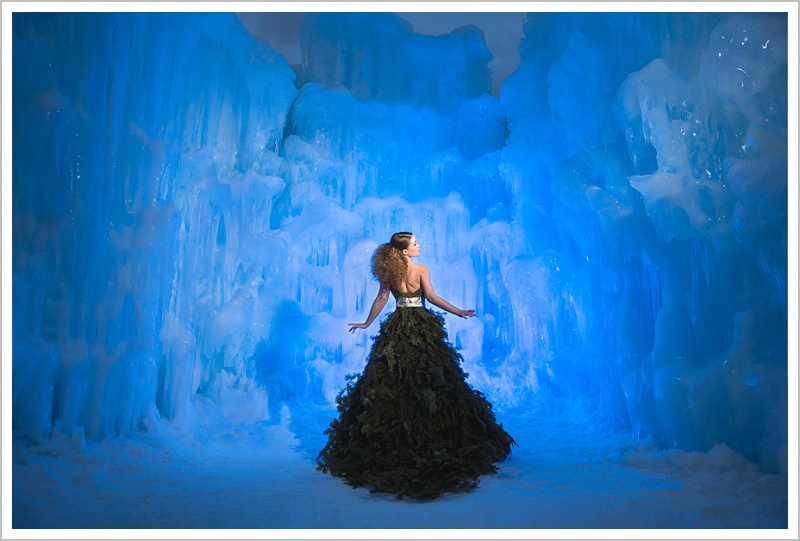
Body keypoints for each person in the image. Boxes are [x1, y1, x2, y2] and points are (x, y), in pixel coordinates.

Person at [317, 232, 516, 500]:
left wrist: (367, 323)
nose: (418, 245)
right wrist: (457, 311)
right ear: (404, 251)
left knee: (393, 377)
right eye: (414, 243)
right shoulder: (422, 270)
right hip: (422, 324)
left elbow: (382, 299)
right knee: (430, 376)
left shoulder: (390, 273)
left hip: (398, 325)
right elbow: (431, 298)